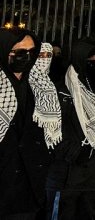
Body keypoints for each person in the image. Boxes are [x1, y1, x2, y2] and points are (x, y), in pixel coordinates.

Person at [47, 39, 95, 220]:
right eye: (93, 60)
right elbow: (52, 129)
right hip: (68, 175)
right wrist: (76, 152)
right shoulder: (61, 91)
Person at [0, 29, 60, 219]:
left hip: (30, 186)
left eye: (31, 52)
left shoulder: (40, 85)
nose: (26, 57)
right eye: (19, 52)